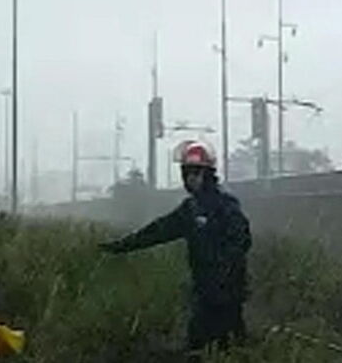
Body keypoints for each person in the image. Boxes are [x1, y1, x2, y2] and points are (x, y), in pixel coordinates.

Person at [99, 140, 252, 358]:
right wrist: (120, 246)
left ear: (208, 174)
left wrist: (224, 272)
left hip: (227, 296)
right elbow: (157, 231)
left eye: (196, 172)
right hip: (204, 293)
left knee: (229, 348)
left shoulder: (226, 205)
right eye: (187, 172)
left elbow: (242, 240)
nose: (191, 177)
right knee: (200, 346)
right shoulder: (190, 209)